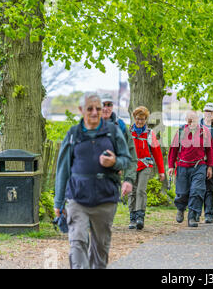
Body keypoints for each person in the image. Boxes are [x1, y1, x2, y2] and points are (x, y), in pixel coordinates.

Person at [54, 93, 131, 269]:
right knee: (78, 241)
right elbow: (63, 169)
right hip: (77, 198)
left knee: (100, 249)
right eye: (90, 108)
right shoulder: (73, 134)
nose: (95, 112)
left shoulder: (113, 131)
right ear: (81, 110)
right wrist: (58, 202)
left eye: (98, 108)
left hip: (105, 199)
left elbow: (126, 159)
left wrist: (115, 162)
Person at [168, 110, 213, 227]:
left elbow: (210, 150)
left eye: (192, 119)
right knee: (182, 192)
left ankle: (193, 216)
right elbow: (173, 149)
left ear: (197, 120)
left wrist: (209, 166)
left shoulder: (204, 131)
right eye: (188, 119)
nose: (190, 121)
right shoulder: (181, 131)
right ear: (185, 120)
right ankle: (181, 208)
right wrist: (171, 166)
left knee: (197, 190)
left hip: (199, 166)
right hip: (183, 166)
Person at [124, 106, 165, 230]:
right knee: (132, 191)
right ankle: (132, 217)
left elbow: (157, 152)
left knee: (141, 190)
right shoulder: (128, 133)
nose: (140, 122)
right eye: (137, 119)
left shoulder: (149, 133)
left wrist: (161, 171)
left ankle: (140, 217)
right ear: (134, 118)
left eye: (142, 119)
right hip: (131, 166)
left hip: (145, 164)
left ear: (146, 120)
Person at [100, 93, 137, 205]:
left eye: (109, 105)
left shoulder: (120, 126)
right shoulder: (88, 125)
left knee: (105, 215)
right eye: (103, 105)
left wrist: (128, 179)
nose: (106, 108)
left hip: (113, 176)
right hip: (90, 177)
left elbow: (131, 154)